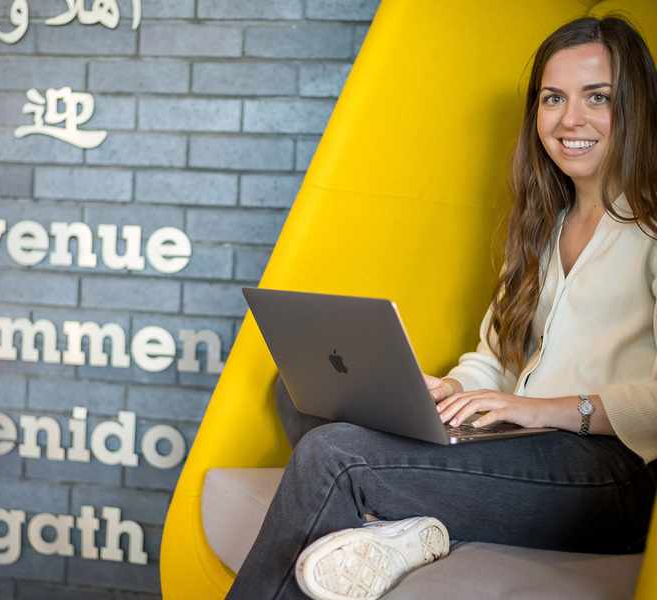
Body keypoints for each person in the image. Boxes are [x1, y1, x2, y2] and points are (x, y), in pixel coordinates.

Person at [225, 16, 657, 600]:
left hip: (614, 475)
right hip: (522, 442)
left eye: (597, 98)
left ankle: (393, 524)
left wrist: (545, 410)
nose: (570, 119)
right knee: (297, 391)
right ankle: (407, 532)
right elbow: (496, 356)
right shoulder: (543, 226)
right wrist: (450, 393)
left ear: (636, 109)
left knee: (335, 456)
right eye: (553, 98)